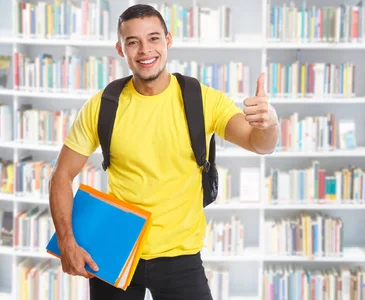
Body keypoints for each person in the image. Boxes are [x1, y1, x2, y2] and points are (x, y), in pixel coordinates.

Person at [48, 4, 280, 300]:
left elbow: (260, 143)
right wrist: (67, 241)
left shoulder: (201, 99)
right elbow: (61, 175)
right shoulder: (103, 105)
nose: (145, 50)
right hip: (114, 250)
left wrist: (269, 123)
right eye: (133, 42)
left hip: (180, 259)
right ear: (121, 49)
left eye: (154, 38)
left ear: (168, 41)